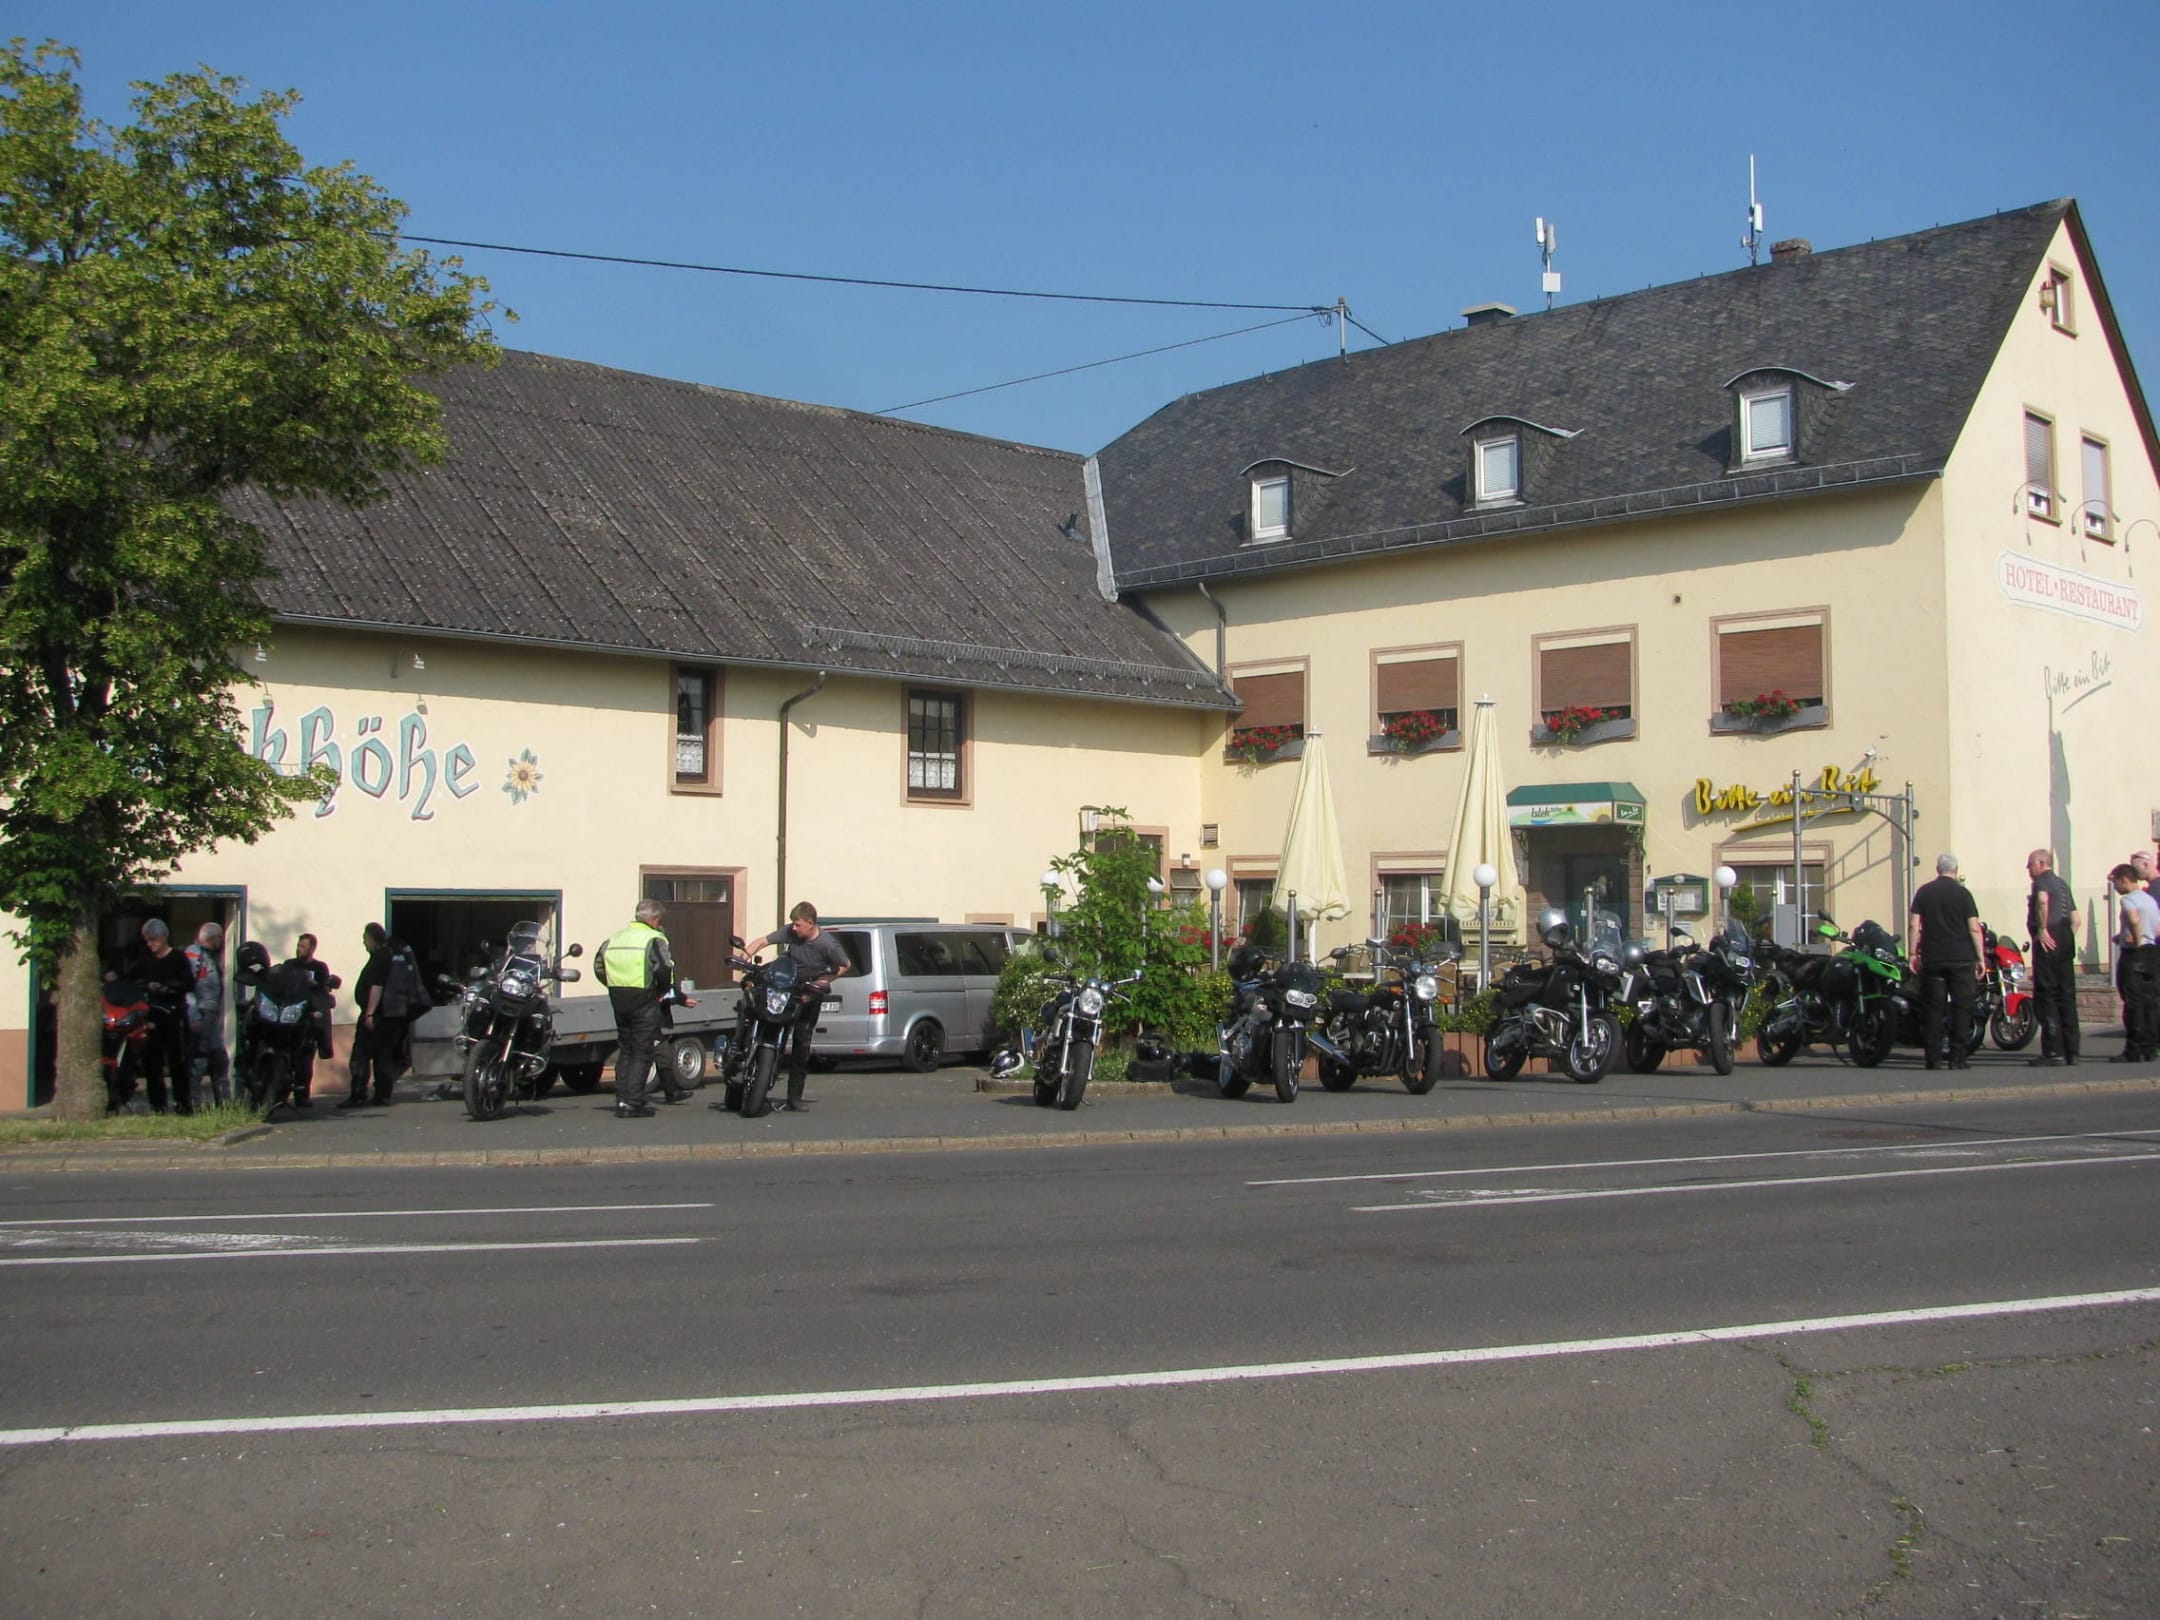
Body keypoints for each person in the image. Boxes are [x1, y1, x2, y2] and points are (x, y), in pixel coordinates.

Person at [594, 899, 697, 1118]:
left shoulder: (614, 938)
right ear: (653, 919)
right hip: (644, 998)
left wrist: (614, 984)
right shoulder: (653, 938)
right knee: (642, 1050)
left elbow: (599, 966)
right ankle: (633, 1103)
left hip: (618, 997)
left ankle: (622, 1099)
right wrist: (662, 990)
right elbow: (664, 968)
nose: (660, 924)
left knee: (626, 1048)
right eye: (660, 920)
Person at [753, 901, 852, 1112]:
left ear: (810, 923)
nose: (794, 928)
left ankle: (794, 1097)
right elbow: (762, 941)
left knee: (801, 1041)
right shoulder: (791, 932)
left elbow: (845, 965)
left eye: (798, 924)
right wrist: (744, 955)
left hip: (808, 991)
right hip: (786, 986)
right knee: (764, 1017)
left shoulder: (827, 944)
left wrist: (823, 982)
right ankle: (752, 1066)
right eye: (793, 924)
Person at [1907, 853, 1983, 1070]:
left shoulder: (1924, 892)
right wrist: (1980, 957)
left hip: (1933, 958)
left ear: (1937, 869)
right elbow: (1974, 928)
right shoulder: (1963, 894)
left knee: (1933, 1008)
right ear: (1956, 871)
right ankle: (1958, 1058)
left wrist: (1912, 953)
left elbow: (1914, 925)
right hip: (1961, 957)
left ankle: (1933, 1058)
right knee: (1961, 1007)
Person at [117, 918, 195, 1113]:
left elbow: (188, 983)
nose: (150, 944)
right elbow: (129, 978)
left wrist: (167, 986)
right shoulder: (146, 960)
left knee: (177, 1061)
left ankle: (183, 1104)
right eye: (147, 940)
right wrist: (144, 985)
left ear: (163, 937)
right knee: (152, 1061)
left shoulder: (178, 957)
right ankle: (157, 1105)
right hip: (153, 1014)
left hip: (174, 1013)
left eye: (153, 940)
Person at [342, 922, 419, 1108]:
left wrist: (369, 1013)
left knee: (361, 1055)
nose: (364, 943)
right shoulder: (392, 956)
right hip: (391, 1016)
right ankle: (382, 1095)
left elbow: (377, 987)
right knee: (384, 1056)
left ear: (372, 939)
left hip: (376, 1016)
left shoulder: (379, 958)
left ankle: (358, 1094)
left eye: (365, 939)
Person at [2025, 848, 2081, 1067]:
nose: (2028, 869)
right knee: (2066, 995)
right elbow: (2076, 919)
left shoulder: (2042, 882)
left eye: (2030, 864)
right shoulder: (2062, 885)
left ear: (2041, 863)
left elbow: (2042, 901)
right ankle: (2072, 1051)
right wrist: (2065, 938)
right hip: (2065, 939)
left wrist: (2042, 929)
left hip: (2049, 941)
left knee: (2047, 995)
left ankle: (2053, 1052)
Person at [281, 933, 339, 1107]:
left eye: (303, 946)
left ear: (312, 948)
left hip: (309, 1017)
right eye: (298, 946)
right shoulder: (289, 965)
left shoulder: (319, 968)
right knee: (285, 1056)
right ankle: (279, 1094)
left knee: (305, 1060)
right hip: (288, 1016)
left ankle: (302, 1096)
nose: (299, 949)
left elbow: (323, 990)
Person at [2108, 863, 2158, 1062]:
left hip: (2134, 955)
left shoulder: (2128, 900)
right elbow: (2157, 928)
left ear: (2124, 880)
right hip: (2151, 952)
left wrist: (2136, 939)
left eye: (2116, 883)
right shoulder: (2149, 899)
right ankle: (2150, 1048)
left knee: (2133, 1003)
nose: (2115, 887)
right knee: (2150, 1002)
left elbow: (2134, 920)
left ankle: (2133, 1049)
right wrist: (2131, 936)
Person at [183, 922, 231, 1106]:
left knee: (219, 1059)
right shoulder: (194, 955)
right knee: (199, 1061)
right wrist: (194, 1016)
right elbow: (188, 989)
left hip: (210, 1018)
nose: (221, 943)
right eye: (219, 938)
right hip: (200, 1016)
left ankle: (224, 1103)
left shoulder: (209, 956)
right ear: (213, 938)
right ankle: (191, 1104)